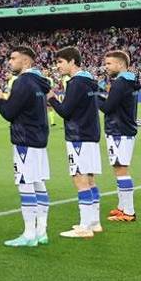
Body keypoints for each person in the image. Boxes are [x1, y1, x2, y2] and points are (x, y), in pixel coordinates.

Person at [0, 46, 52, 248]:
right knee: (39, 184)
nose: (10, 61)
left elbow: (9, 112)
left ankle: (29, 234)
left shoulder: (22, 82)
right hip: (39, 139)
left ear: (26, 61)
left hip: (25, 139)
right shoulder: (40, 82)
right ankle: (41, 232)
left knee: (26, 185)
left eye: (13, 58)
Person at [48, 47, 102, 239]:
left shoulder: (76, 83)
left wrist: (52, 98)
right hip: (91, 134)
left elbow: (65, 111)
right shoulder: (89, 81)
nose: (58, 66)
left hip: (79, 136)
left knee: (80, 179)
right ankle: (94, 222)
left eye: (61, 62)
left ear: (72, 61)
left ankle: (85, 226)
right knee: (90, 178)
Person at [100, 50, 140, 223]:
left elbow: (108, 108)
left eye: (109, 63)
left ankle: (129, 212)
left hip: (119, 131)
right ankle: (122, 207)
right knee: (119, 169)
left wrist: (94, 95)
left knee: (121, 169)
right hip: (124, 129)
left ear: (120, 64)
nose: (106, 67)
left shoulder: (120, 83)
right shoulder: (129, 82)